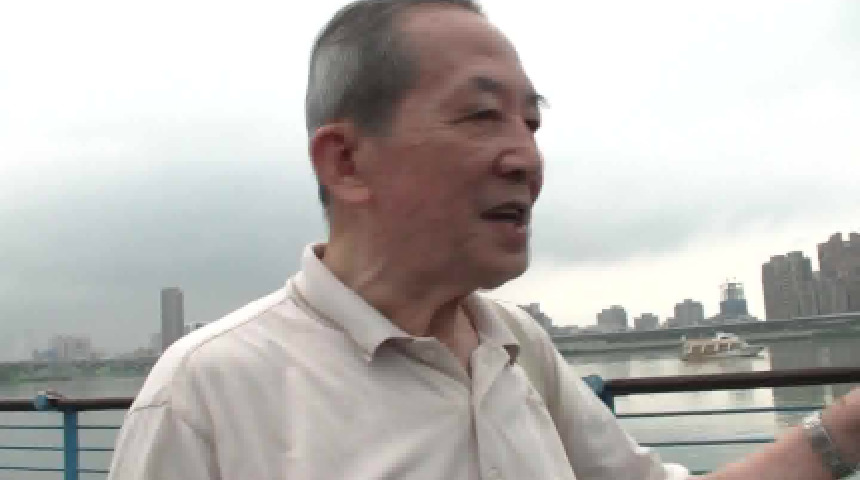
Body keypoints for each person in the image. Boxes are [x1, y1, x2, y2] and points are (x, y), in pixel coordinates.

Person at [107, 1, 860, 479]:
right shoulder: (206, 396)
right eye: (481, 117)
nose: (526, 157)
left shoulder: (516, 347)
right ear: (346, 162)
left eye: (531, 122)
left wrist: (845, 430)